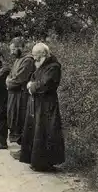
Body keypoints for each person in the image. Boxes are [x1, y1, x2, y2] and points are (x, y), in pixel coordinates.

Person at [19, 43, 65, 172]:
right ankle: (37, 162)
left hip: (47, 105)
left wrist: (31, 86)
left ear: (44, 54)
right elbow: (33, 79)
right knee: (37, 131)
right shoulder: (41, 65)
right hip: (37, 103)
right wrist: (31, 84)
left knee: (46, 132)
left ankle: (45, 163)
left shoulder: (54, 67)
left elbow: (44, 84)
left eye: (36, 56)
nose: (34, 59)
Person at [6, 37, 35, 152]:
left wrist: (9, 83)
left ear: (20, 47)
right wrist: (9, 80)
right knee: (15, 118)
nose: (11, 52)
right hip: (15, 95)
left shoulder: (28, 60)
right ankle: (22, 149)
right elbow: (10, 75)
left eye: (13, 50)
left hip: (22, 96)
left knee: (22, 119)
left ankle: (25, 150)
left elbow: (19, 79)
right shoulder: (18, 59)